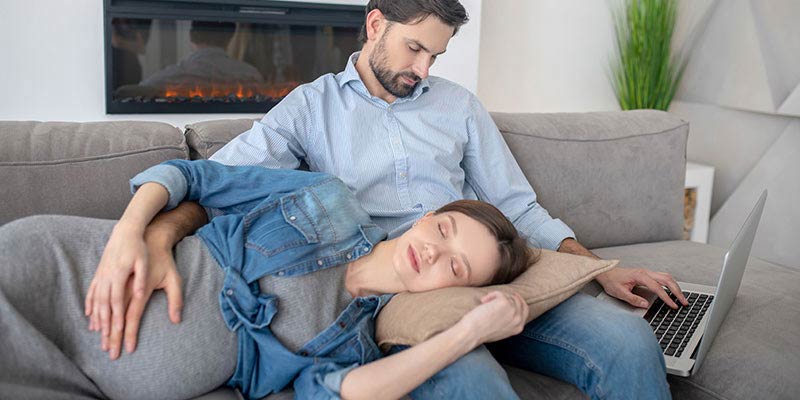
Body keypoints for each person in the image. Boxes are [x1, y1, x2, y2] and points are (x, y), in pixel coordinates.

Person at [91, 0, 688, 398]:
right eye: (414, 49)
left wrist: (595, 269)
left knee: (628, 340)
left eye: (436, 55)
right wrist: (156, 235)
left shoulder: (456, 106)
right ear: (375, 25)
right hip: (398, 289)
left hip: (482, 263)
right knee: (471, 380)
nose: (424, 68)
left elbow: (518, 205)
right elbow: (218, 180)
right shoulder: (310, 107)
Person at [0, 159, 533, 399]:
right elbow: (195, 177)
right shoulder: (331, 198)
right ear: (426, 215)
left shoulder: (358, 341)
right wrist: (130, 235)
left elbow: (348, 393)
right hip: (62, 270)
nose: (433, 251)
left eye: (455, 267)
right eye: (443, 228)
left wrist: (469, 332)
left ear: (455, 291)